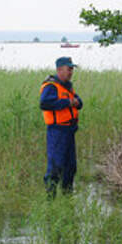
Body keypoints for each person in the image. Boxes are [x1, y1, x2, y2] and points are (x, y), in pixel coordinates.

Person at [40, 57, 83, 197]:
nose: (71, 72)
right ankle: (50, 199)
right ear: (59, 70)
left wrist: (75, 102)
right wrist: (69, 102)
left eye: (72, 69)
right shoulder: (51, 86)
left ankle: (67, 197)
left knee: (70, 167)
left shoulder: (67, 86)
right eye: (68, 69)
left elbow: (79, 102)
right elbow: (45, 103)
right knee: (55, 167)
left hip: (69, 131)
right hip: (57, 131)